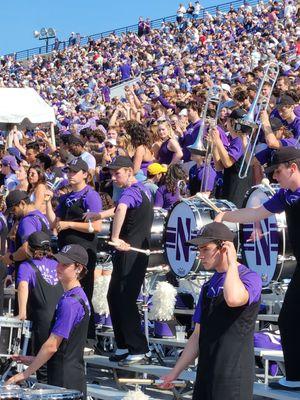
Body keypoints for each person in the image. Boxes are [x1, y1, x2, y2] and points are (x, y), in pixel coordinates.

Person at [215, 147, 300, 391]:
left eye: (278, 172)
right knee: (290, 319)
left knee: (291, 318)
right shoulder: (286, 195)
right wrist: (225, 215)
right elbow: (255, 214)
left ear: (293, 168)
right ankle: (295, 377)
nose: (274, 177)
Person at [161, 222, 262, 399]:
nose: (200, 255)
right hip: (206, 374)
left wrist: (232, 263)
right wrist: (174, 372)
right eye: (199, 250)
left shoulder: (250, 278)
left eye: (205, 249)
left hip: (233, 376)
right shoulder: (208, 286)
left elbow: (234, 299)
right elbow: (197, 335)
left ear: (224, 248)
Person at [6, 244, 91, 399]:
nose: (58, 267)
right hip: (70, 375)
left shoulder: (70, 303)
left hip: (64, 381)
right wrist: (33, 359)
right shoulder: (77, 296)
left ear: (78, 268)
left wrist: (24, 374)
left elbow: (52, 346)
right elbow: (65, 348)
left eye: (65, 265)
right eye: (58, 262)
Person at [45, 158, 102, 340]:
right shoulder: (65, 197)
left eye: (74, 171)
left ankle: (88, 338)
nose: (70, 175)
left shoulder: (90, 195)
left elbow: (97, 226)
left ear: (85, 174)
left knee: (83, 293)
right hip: (66, 251)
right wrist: (47, 203)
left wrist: (69, 224)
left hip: (83, 252)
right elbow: (55, 224)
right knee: (67, 294)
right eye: (68, 171)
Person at [106, 156, 153, 366]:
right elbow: (118, 208)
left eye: (117, 173)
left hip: (131, 251)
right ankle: (123, 344)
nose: (114, 177)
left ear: (129, 171)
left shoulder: (131, 191)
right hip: (129, 252)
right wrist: (98, 215)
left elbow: (122, 209)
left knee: (125, 298)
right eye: (112, 173)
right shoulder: (141, 189)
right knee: (113, 295)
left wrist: (115, 238)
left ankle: (139, 348)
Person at [17, 231, 63, 382]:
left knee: (41, 362)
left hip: (42, 319)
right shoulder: (57, 264)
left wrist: (22, 312)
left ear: (29, 248)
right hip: (61, 316)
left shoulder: (26, 266)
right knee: (58, 359)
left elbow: (23, 287)